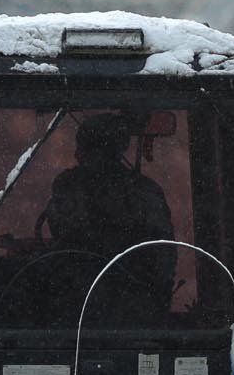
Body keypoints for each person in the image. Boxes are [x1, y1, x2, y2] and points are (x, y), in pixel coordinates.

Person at [35, 112, 176, 322]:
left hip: (71, 312)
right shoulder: (146, 190)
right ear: (121, 147)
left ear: (85, 149)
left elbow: (63, 234)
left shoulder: (69, 185)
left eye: (80, 145)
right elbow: (164, 259)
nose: (76, 154)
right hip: (137, 318)